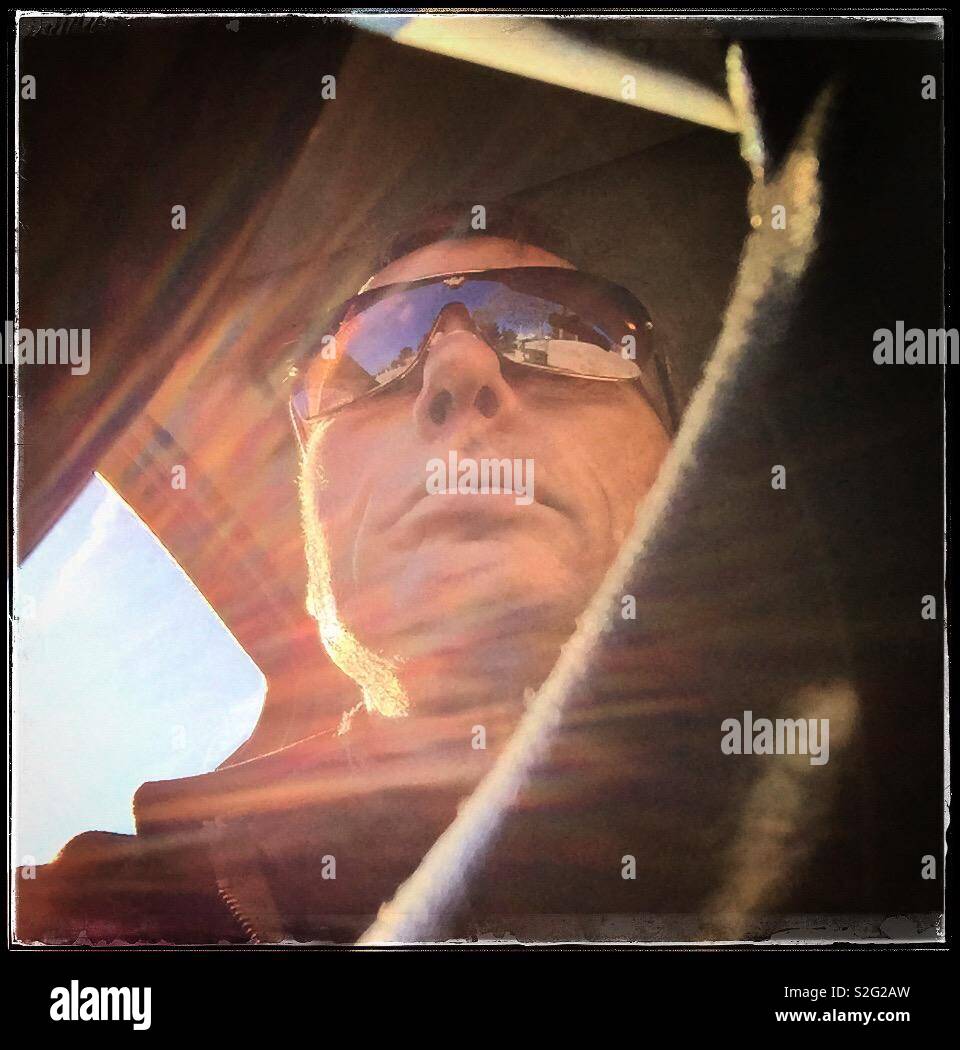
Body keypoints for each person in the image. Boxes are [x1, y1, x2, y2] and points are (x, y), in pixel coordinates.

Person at [16, 202, 680, 944]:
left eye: (561, 331)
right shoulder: (102, 910)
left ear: (685, 466)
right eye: (375, 355)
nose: (457, 370)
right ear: (315, 559)